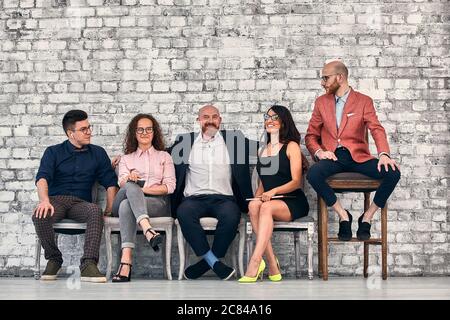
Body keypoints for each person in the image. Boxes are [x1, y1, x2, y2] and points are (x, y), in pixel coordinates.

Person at [305, 60, 400, 241]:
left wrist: (384, 154)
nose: (322, 83)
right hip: (334, 158)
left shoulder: (364, 101)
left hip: (359, 157)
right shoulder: (321, 102)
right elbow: (310, 136)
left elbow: (376, 129)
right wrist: (320, 152)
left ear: (340, 78)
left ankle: (367, 217)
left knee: (393, 172)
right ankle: (343, 215)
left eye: (326, 78)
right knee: (313, 174)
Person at [169, 105, 256, 280]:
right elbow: (159, 154)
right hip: (193, 199)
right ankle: (214, 263)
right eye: (205, 117)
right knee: (183, 212)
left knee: (232, 215)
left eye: (214, 117)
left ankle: (205, 263)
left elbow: (267, 149)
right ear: (198, 120)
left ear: (220, 120)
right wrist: (126, 157)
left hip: (224, 199)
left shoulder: (234, 141)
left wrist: (293, 154)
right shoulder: (185, 143)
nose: (210, 120)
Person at [33, 110, 118, 282]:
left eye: (89, 127)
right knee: (39, 214)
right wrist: (44, 201)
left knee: (95, 210)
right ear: (71, 133)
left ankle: (88, 264)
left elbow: (110, 182)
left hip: (81, 203)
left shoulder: (97, 153)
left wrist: (110, 208)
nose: (89, 132)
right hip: (56, 201)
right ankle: (54, 259)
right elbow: (42, 178)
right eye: (84, 129)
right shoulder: (53, 152)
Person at [238, 105, 310, 283]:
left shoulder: (291, 146)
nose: (269, 120)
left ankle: (255, 262)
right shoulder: (262, 150)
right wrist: (256, 198)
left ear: (283, 122)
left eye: (274, 117)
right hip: (271, 200)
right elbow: (264, 181)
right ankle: (271, 263)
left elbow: (295, 181)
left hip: (292, 201)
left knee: (266, 207)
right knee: (254, 205)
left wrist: (274, 192)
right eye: (267, 117)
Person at [111, 114, 176, 282]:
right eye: (140, 129)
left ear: (154, 132)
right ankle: (148, 230)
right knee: (130, 186)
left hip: (155, 203)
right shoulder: (126, 159)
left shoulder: (164, 157)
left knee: (128, 205)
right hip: (123, 198)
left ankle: (126, 262)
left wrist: (143, 189)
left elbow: (169, 187)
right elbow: (122, 182)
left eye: (149, 129)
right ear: (134, 132)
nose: (145, 132)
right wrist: (130, 179)